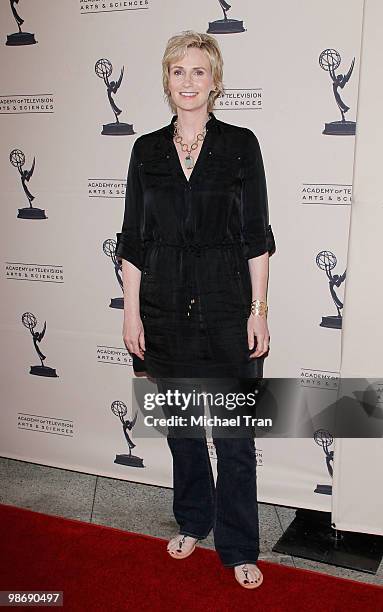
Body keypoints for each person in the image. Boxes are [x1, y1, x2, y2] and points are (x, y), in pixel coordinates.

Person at [116, 30, 275, 589]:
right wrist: (131, 311)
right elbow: (134, 239)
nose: (189, 81)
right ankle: (192, 519)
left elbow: (257, 236)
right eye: (178, 71)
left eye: (199, 71)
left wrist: (258, 310)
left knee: (234, 438)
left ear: (215, 81)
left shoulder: (240, 145)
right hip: (161, 309)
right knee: (182, 429)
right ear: (166, 81)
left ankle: (237, 546)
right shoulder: (145, 151)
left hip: (229, 306)